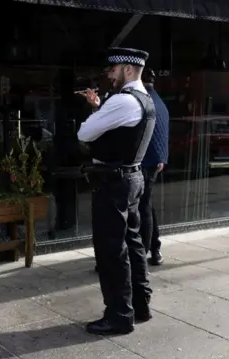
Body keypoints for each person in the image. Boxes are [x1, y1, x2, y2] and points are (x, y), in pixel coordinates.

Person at [77, 47, 155, 335]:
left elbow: (84, 134)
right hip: (132, 178)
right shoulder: (143, 99)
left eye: (113, 69)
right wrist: (100, 108)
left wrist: (98, 113)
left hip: (114, 183)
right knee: (133, 244)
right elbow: (121, 132)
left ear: (128, 70)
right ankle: (140, 306)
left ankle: (119, 315)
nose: (109, 74)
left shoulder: (122, 101)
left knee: (111, 250)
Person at [140, 68, 168, 266]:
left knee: (142, 208)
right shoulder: (160, 102)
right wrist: (162, 158)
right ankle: (155, 249)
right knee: (147, 206)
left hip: (144, 162)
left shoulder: (144, 102)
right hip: (154, 161)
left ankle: (144, 251)